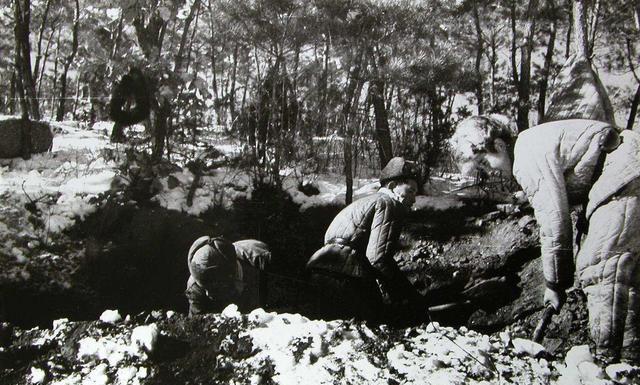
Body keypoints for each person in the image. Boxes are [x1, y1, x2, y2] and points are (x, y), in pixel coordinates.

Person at [513, 118, 640, 363]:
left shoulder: (524, 153)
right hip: (631, 167)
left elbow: (554, 220)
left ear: (495, 145)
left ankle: (608, 363)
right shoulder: (536, 140)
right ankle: (630, 364)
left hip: (624, 173)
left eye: (484, 162)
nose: (490, 171)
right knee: (629, 275)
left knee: (601, 268)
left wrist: (555, 284)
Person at [306, 156, 426, 323]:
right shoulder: (388, 204)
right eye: (410, 191)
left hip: (319, 270)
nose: (413, 199)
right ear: (392, 186)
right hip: (347, 275)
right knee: (378, 324)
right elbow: (378, 258)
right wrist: (407, 293)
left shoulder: (364, 202)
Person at [185, 236, 271, 316]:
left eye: (215, 288)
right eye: (204, 288)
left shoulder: (260, 258)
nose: (208, 295)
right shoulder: (195, 288)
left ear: (232, 275)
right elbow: (196, 325)